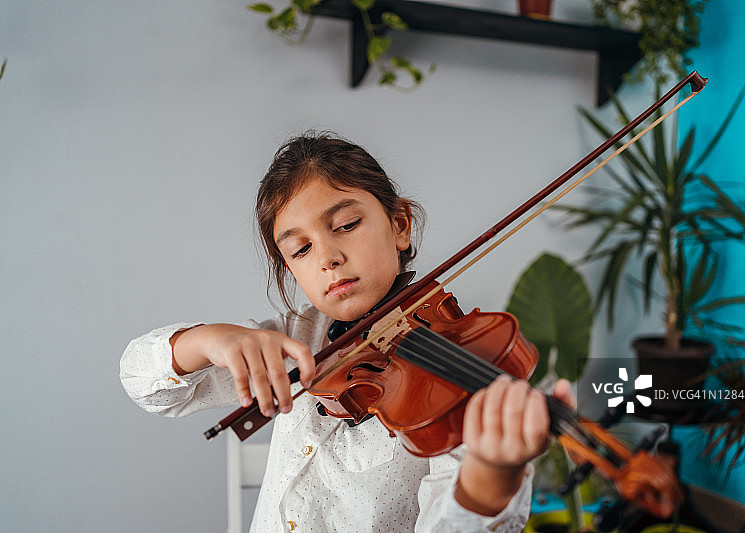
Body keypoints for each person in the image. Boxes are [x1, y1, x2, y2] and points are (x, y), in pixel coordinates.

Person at [120, 131, 574, 532]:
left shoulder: (459, 371)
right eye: (300, 250)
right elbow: (145, 385)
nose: (327, 258)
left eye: (346, 226)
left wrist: (489, 479)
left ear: (399, 225)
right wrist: (210, 339)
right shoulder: (290, 341)